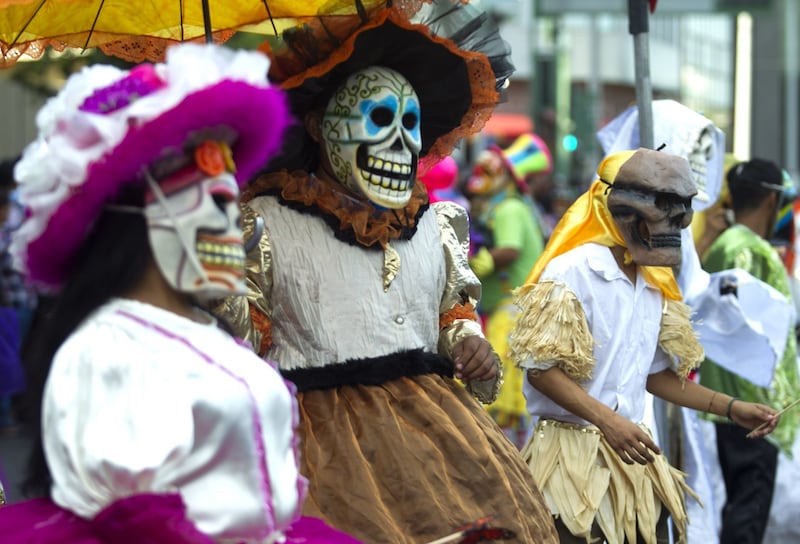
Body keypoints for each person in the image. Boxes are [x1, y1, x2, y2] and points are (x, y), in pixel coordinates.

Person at [215, 1, 559, 542]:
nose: (401, 142)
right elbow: (235, 353)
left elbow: (452, 315)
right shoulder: (265, 225)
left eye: (411, 123)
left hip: (444, 445)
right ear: (317, 126)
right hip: (321, 453)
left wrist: (468, 343)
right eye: (378, 119)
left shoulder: (436, 225)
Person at [0, 43, 360, 544]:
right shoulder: (106, 350)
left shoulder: (211, 332)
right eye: (215, 204)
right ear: (141, 217)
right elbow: (137, 523)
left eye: (235, 205)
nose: (235, 229)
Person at [509, 147, 781, 544]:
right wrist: (608, 421)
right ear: (622, 211)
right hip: (568, 467)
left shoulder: (653, 279)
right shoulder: (573, 269)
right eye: (664, 208)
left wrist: (731, 408)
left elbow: (653, 375)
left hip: (634, 464)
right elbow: (540, 369)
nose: (676, 223)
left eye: (682, 210)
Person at [698, 158, 800, 544]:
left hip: (736, 403)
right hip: (754, 404)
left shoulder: (729, 244)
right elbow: (750, 328)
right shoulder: (748, 251)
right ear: (774, 202)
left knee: (743, 504)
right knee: (748, 509)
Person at [465, 132, 552, 448]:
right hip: (508, 311)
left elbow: (510, 249)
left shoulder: (509, 209)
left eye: (489, 172)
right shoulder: (506, 206)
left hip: (510, 314)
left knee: (500, 398)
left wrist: (474, 265)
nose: (480, 177)